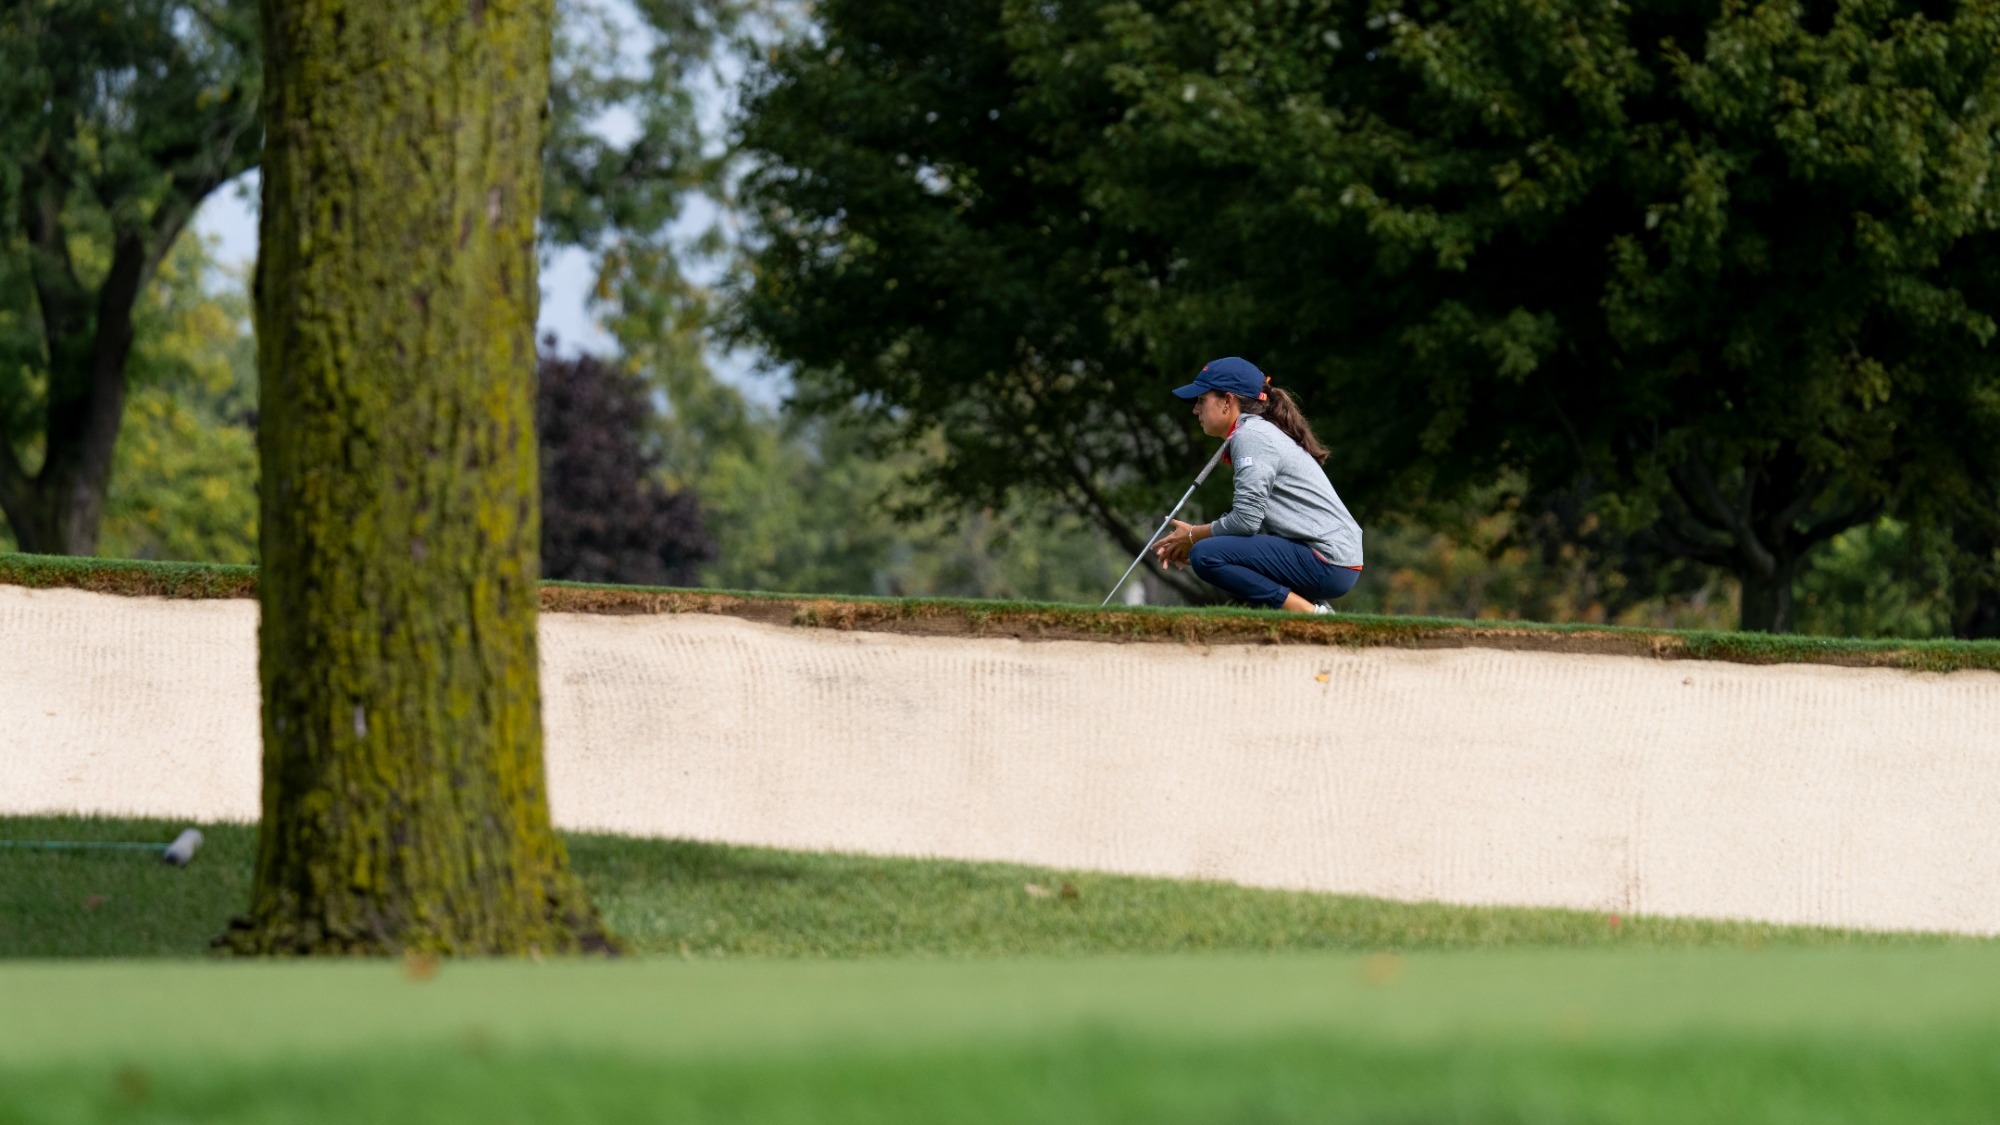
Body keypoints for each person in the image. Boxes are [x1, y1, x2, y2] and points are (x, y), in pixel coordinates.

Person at [1151, 357, 1364, 613]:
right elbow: (1252, 527)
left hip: (1327, 561)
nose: (1195, 410)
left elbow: (1245, 521)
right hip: (1333, 560)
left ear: (1227, 401)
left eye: (1201, 400)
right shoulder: (1255, 433)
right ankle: (1312, 607)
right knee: (1212, 551)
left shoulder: (1251, 436)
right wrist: (1200, 539)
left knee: (1206, 555)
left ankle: (1311, 613)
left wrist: (1193, 535)